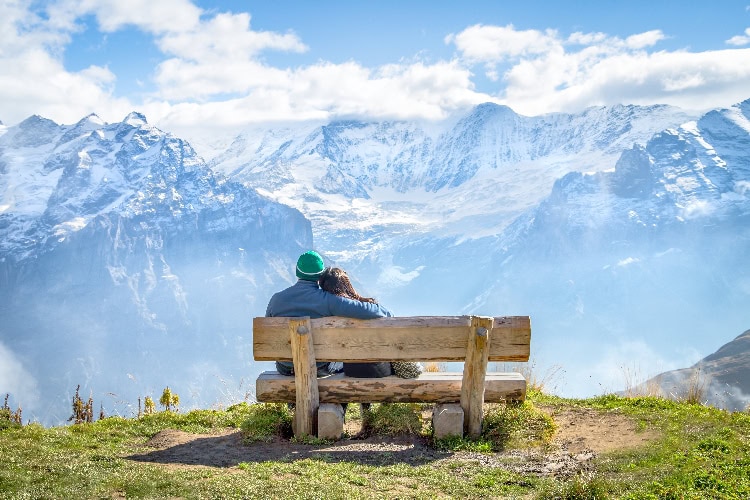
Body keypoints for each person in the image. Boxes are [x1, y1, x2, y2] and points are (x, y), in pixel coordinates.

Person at [265, 250, 393, 377]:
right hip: (318, 368)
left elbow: (268, 334)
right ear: (320, 276)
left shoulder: (276, 299)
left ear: (297, 272)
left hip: (285, 368)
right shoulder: (328, 300)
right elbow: (367, 310)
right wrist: (387, 312)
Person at [318, 267, 393, 378]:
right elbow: (389, 314)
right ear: (347, 285)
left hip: (351, 370)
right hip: (378, 370)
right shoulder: (366, 308)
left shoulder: (327, 311)